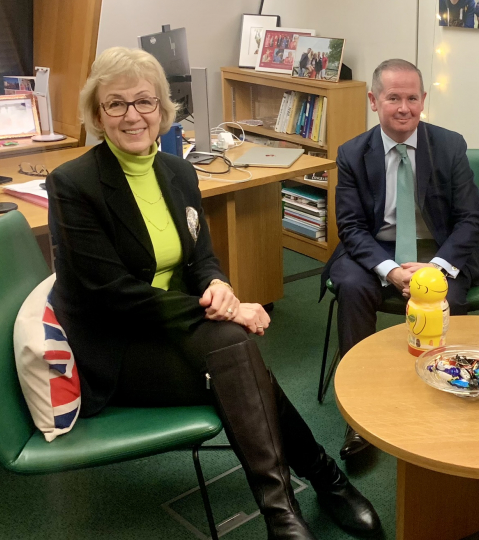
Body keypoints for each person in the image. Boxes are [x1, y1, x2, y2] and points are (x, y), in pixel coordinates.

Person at [46, 47, 380, 540]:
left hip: (178, 329)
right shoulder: (73, 185)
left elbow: (200, 255)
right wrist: (234, 312)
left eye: (144, 101)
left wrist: (220, 286)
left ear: (162, 108)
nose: (133, 115)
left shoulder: (179, 173)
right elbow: (111, 294)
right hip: (116, 347)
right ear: (97, 114)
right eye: (116, 104)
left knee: (235, 354)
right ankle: (317, 487)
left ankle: (286, 512)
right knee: (239, 356)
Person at [320, 59, 479, 460]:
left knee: (449, 295)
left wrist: (436, 268)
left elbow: (470, 219)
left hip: (437, 251)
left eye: (412, 98)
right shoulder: (352, 154)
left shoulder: (449, 145)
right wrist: (391, 270)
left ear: (424, 100)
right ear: (374, 100)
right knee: (353, 287)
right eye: (393, 98)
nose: (404, 108)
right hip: (376, 250)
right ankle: (360, 411)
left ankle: (443, 394)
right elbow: (352, 227)